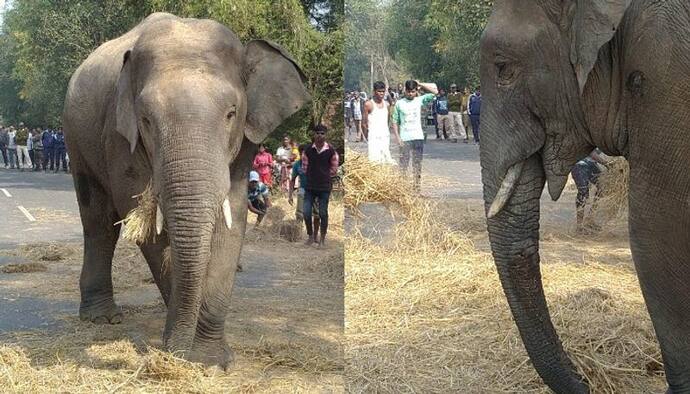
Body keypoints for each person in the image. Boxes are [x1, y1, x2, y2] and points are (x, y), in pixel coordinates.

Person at [391, 79, 438, 192]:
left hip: (417, 137)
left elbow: (435, 92)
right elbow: (394, 121)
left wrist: (420, 84)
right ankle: (402, 188)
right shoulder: (399, 103)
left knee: (417, 164)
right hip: (405, 138)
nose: (411, 94)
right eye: (409, 92)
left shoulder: (419, 100)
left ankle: (416, 188)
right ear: (405, 91)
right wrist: (397, 138)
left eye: (413, 91)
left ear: (416, 91)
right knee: (403, 165)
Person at [301, 124, 339, 247]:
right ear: (314, 134)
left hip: (324, 187)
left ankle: (322, 240)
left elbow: (334, 169)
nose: (320, 135)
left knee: (323, 213)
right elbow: (304, 168)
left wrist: (323, 175)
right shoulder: (307, 150)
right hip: (310, 186)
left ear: (325, 135)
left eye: (322, 133)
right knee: (306, 213)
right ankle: (311, 236)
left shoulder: (331, 151)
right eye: (318, 133)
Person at [571, 148, 610, 233]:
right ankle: (579, 226)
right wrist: (608, 164)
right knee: (583, 192)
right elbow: (590, 152)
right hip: (579, 165)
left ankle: (590, 219)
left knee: (603, 187)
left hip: (591, 164)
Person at [288, 144, 321, 241]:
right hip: (302, 190)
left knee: (317, 214)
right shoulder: (297, 165)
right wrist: (290, 195)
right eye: (301, 152)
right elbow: (292, 180)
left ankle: (315, 236)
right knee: (300, 214)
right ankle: (298, 234)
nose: (303, 154)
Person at [362, 81, 394, 164]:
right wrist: (367, 137)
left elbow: (387, 120)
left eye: (383, 91)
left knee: (385, 159)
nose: (381, 93)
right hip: (373, 137)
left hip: (385, 136)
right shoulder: (368, 104)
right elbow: (364, 124)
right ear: (374, 91)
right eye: (379, 91)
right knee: (374, 161)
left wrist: (385, 131)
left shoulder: (387, 104)